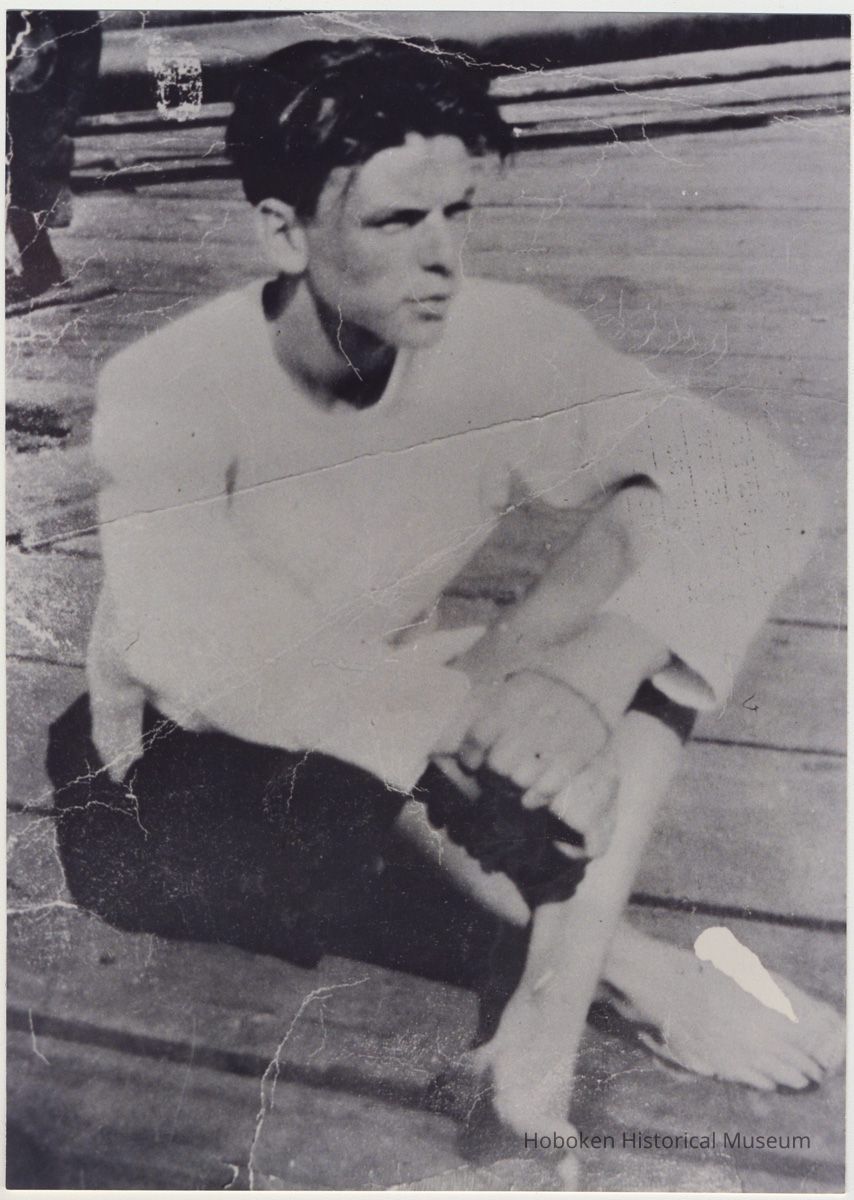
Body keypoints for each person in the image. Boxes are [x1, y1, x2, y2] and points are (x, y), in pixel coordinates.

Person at [47, 37, 843, 1175]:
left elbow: (755, 477)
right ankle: (621, 968)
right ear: (283, 232)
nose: (441, 262)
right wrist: (458, 724)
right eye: (392, 225)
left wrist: (590, 667)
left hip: (408, 694)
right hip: (194, 773)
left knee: (655, 527)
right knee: (412, 738)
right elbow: (197, 650)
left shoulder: (497, 340)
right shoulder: (170, 388)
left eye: (456, 214)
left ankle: (544, 1015)